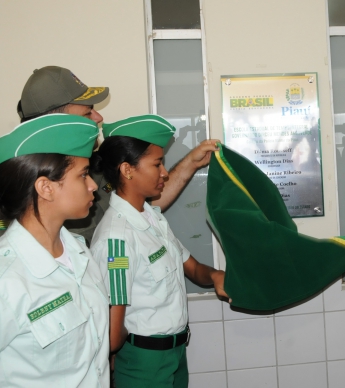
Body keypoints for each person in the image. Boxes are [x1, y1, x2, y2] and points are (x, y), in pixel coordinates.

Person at [90, 114, 228, 387]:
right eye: (157, 164)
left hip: (175, 357)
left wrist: (215, 276)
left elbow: (194, 269)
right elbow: (113, 334)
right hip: (144, 364)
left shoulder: (152, 219)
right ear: (127, 170)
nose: (164, 172)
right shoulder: (116, 239)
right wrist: (138, 348)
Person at [11, 65, 220, 243]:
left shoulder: (94, 168)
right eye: (87, 112)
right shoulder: (16, 189)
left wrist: (190, 163)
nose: (98, 117)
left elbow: (137, 203)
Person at [0, 114, 109, 386]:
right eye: (83, 175)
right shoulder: (7, 278)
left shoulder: (79, 251)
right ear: (45, 188)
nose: (93, 184)